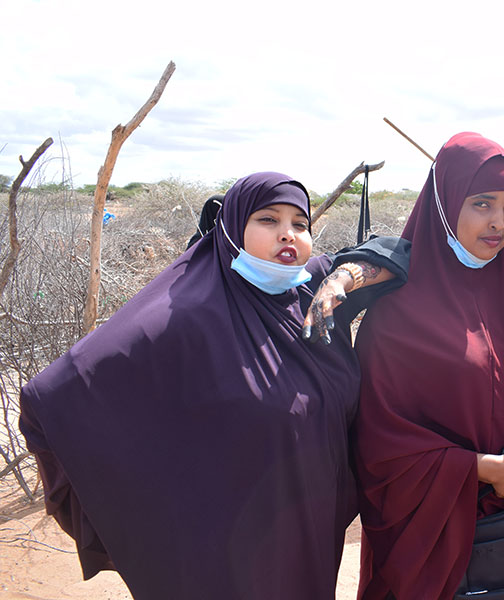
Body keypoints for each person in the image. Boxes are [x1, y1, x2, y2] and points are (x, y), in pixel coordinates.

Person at [18, 172, 409, 599]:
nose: (287, 235)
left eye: (300, 224)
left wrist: (345, 277)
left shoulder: (311, 291)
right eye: (267, 220)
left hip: (309, 525)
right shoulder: (186, 312)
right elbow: (55, 394)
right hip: (230, 543)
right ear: (232, 227)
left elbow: (398, 254)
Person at [350, 132, 504, 599]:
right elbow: (378, 442)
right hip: (441, 542)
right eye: (481, 204)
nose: (498, 222)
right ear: (445, 202)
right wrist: (486, 470)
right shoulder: (397, 316)